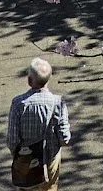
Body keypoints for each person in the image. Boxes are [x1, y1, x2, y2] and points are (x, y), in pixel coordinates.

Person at [7, 58, 71, 188]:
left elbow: (12, 140)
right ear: (48, 78)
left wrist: (17, 155)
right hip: (50, 158)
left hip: (26, 160)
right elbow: (65, 138)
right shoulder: (57, 103)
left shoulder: (19, 104)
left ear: (30, 81)